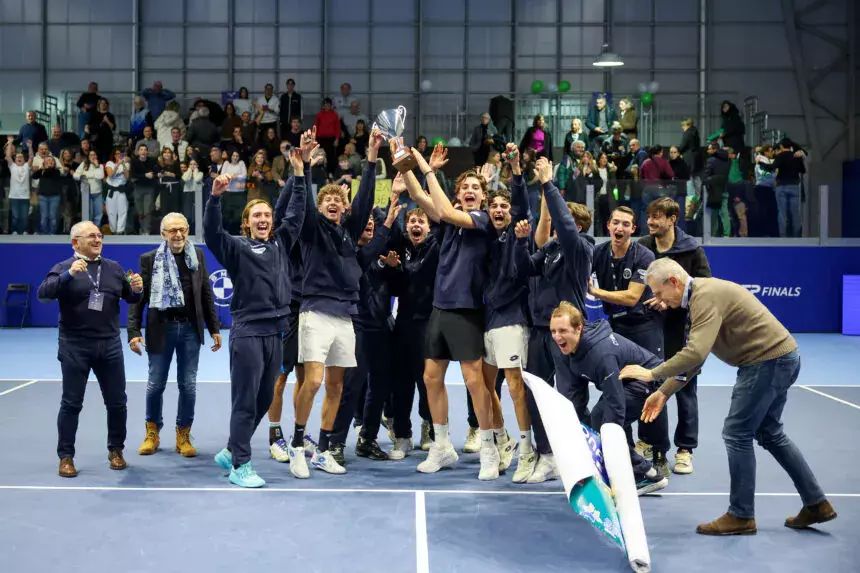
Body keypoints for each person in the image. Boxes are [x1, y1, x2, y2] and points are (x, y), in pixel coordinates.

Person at [621, 258, 836, 535]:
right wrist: (664, 391)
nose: (659, 301)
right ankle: (817, 504)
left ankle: (741, 515)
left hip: (766, 362)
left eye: (660, 293)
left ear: (674, 282)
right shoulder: (699, 297)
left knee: (736, 433)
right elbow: (696, 359)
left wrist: (652, 374)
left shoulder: (704, 296)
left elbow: (695, 353)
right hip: (780, 358)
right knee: (770, 433)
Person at [205, 144, 309, 488]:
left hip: (276, 332)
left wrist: (299, 172)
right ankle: (240, 465)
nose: (263, 220)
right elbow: (212, 235)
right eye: (256, 216)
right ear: (247, 223)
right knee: (245, 402)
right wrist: (215, 199)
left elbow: (297, 214)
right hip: (248, 332)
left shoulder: (280, 243)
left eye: (267, 215)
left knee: (265, 399)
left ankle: (231, 449)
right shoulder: (237, 248)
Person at [400, 144, 500, 480]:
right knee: (431, 377)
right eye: (465, 187)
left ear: (482, 196)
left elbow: (443, 209)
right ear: (458, 194)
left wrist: (428, 169)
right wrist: (403, 163)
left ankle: (489, 447)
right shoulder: (447, 223)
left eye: (475, 188)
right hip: (440, 308)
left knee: (474, 380)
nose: (470, 191)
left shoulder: (482, 221)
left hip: (467, 310)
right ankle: (442, 445)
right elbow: (418, 195)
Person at [286, 128, 382, 479]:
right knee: (312, 381)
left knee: (336, 386)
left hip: (345, 316)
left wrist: (371, 158)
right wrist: (304, 168)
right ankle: (298, 445)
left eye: (338, 201)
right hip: (315, 312)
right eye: (326, 200)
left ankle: (324, 450)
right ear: (320, 205)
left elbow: (366, 199)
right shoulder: (312, 230)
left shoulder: (348, 232)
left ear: (344, 208)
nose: (332, 203)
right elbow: (302, 205)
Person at [37, 222, 144, 477]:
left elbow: (130, 297)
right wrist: (68, 275)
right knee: (71, 403)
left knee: (117, 403)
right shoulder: (63, 267)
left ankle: (116, 450)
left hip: (110, 345)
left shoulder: (114, 268)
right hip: (75, 346)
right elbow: (43, 294)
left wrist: (137, 290)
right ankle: (66, 457)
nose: (97, 240)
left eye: (99, 236)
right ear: (75, 242)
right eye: (91, 236)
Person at [518, 157, 593, 484]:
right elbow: (524, 268)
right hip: (539, 330)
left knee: (570, 397)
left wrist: (548, 184)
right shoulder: (549, 251)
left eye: (567, 222)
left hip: (566, 333)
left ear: (577, 227)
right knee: (536, 394)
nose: (559, 227)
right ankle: (547, 455)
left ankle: (580, 456)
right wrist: (520, 240)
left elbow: (563, 224)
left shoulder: (581, 249)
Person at [549, 302, 669, 495]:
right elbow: (573, 397)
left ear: (579, 328)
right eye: (553, 331)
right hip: (624, 381)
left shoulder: (601, 353)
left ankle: (646, 474)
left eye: (562, 330)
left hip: (650, 381)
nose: (556, 336)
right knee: (598, 422)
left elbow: (616, 403)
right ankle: (626, 469)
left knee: (604, 422)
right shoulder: (568, 348)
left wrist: (607, 438)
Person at [128, 212, 222, 457]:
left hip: (190, 330)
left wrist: (214, 328)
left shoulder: (197, 256)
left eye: (182, 229)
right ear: (163, 234)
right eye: (172, 230)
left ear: (188, 231)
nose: (178, 234)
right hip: (161, 329)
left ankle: (183, 434)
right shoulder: (149, 259)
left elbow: (205, 293)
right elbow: (139, 297)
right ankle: (152, 432)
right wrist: (133, 331)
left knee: (188, 385)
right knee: (155, 385)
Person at [589, 206, 670, 474]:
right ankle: (627, 451)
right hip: (615, 327)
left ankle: (659, 453)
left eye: (626, 224)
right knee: (618, 387)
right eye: (616, 222)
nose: (620, 228)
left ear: (633, 229)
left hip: (644, 326)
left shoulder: (644, 255)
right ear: (608, 226)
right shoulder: (598, 253)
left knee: (652, 385)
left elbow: (632, 297)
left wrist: (595, 292)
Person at [637, 197, 710, 475]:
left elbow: (704, 290)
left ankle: (685, 449)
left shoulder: (692, 250)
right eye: (649, 216)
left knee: (684, 386)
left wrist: (671, 303)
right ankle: (651, 444)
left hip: (681, 329)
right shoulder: (642, 246)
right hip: (649, 328)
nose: (650, 221)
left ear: (672, 219)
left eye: (657, 217)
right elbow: (637, 287)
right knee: (649, 385)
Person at [481, 144, 537, 482]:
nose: (499, 210)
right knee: (485, 386)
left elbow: (521, 205)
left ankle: (527, 451)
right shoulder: (485, 235)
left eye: (504, 206)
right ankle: (503, 441)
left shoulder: (517, 232)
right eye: (494, 206)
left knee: (515, 386)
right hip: (486, 321)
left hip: (511, 320)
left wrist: (516, 170)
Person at [384, 205, 439, 455]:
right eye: (412, 221)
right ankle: (402, 436)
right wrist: (394, 268)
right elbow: (396, 288)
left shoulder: (436, 247)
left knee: (427, 381)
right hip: (404, 322)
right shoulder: (401, 249)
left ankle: (430, 428)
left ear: (429, 227)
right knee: (401, 383)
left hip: (428, 324)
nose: (416, 225)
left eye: (421, 221)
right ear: (407, 227)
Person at [772, 138, 806, 238]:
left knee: (782, 213)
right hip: (794, 186)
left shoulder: (780, 156)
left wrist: (761, 163)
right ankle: (797, 236)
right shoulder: (796, 156)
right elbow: (803, 170)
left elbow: (773, 167)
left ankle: (783, 236)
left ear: (781, 146)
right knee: (795, 213)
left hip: (781, 186)